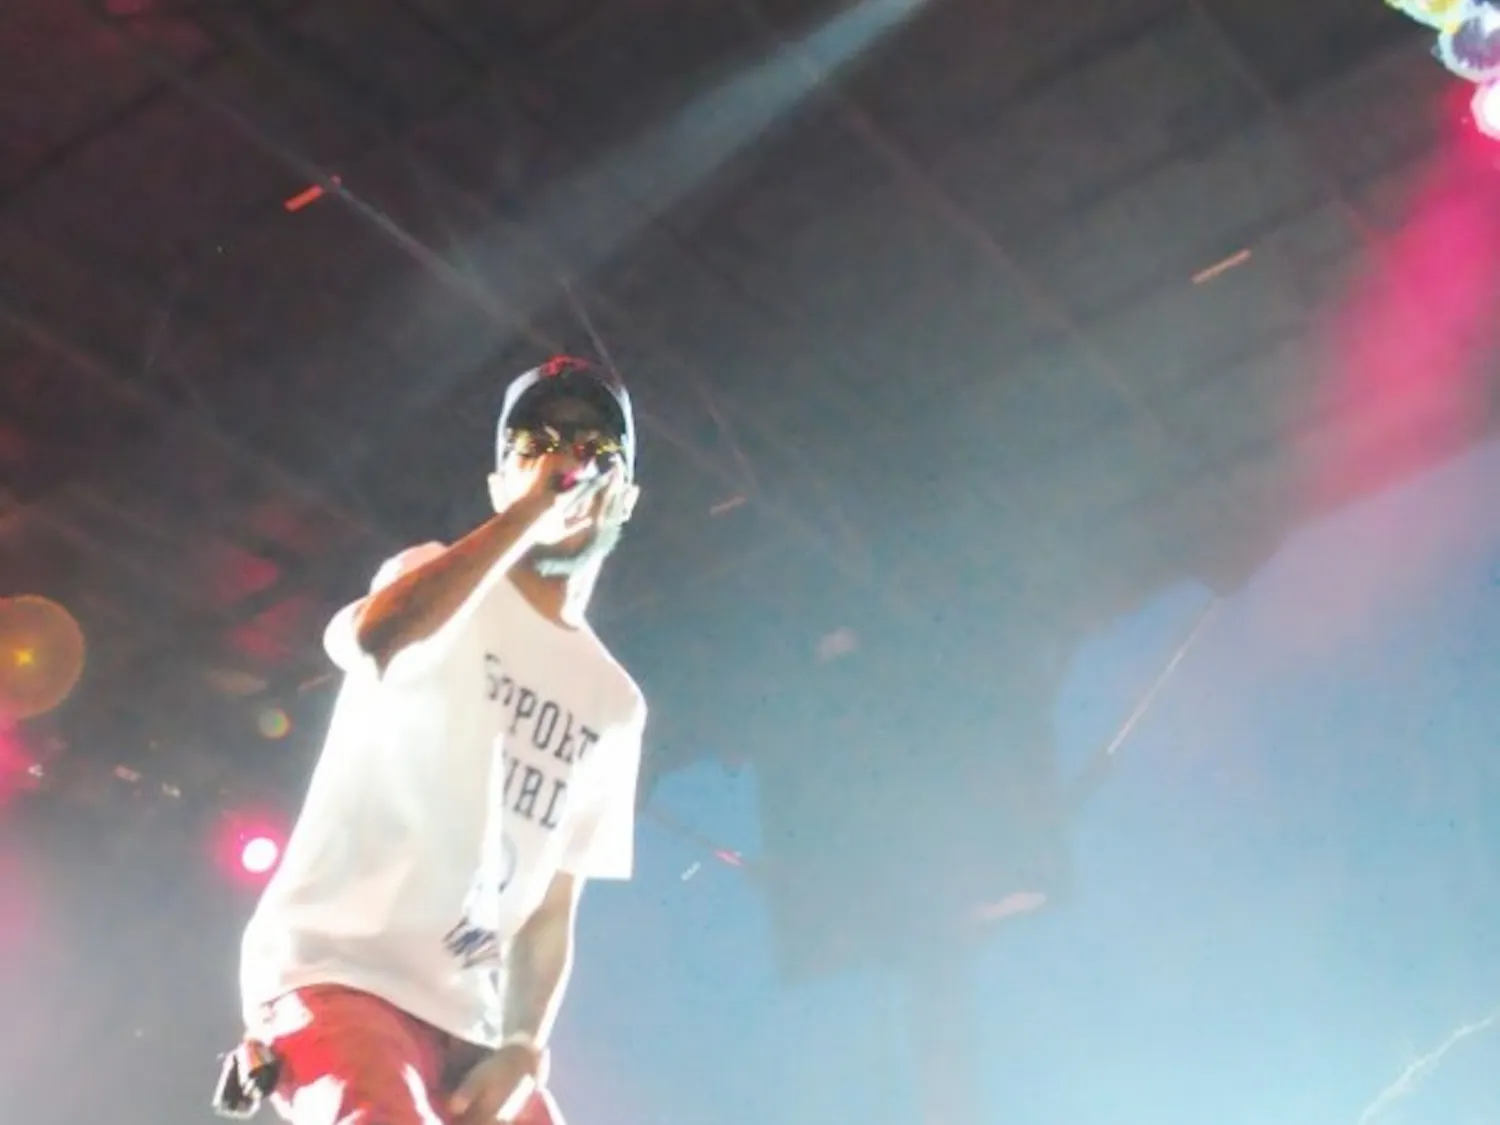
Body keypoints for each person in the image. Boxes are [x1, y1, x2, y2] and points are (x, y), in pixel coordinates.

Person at [218, 356, 647, 1125]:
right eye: (535, 443)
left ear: (627, 497)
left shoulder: (614, 702)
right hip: (338, 974)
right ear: (498, 483)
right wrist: (531, 514)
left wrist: (523, 1044)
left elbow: (552, 906)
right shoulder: (433, 580)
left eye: (595, 447)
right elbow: (372, 635)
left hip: (469, 1027)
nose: (566, 458)